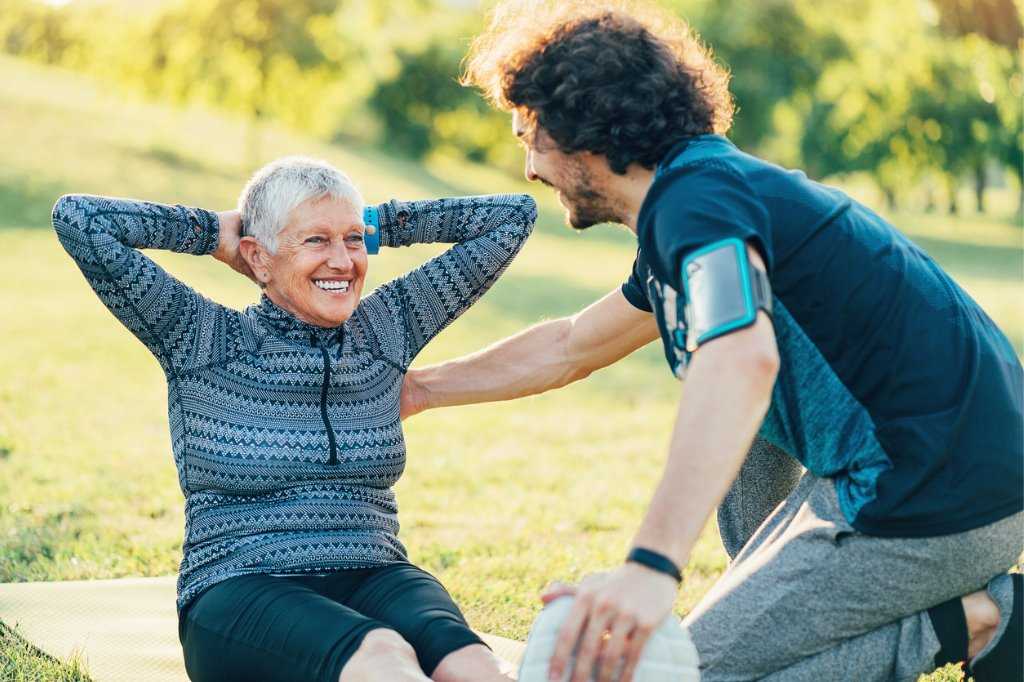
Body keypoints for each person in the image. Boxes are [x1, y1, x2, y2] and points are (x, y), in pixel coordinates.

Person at [398, 2, 1024, 680]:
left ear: (586, 128)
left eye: (532, 135)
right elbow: (572, 345)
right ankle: (797, 597)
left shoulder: (695, 202)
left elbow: (741, 357)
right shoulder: (701, 198)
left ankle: (981, 619)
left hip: (936, 492)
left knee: (683, 675)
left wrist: (650, 566)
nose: (529, 167)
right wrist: (421, 389)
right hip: (935, 471)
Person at [52, 156, 536, 682]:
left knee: (471, 665)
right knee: (383, 656)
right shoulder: (201, 340)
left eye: (353, 241)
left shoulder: (386, 329)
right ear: (258, 259)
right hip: (242, 586)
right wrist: (214, 232)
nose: (343, 262)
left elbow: (513, 215)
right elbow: (81, 219)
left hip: (376, 572)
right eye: (315, 242)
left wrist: (368, 222)